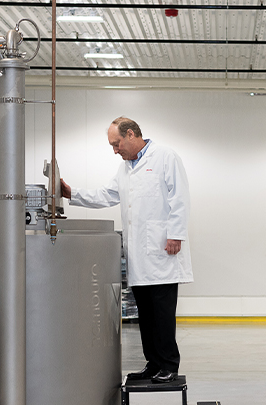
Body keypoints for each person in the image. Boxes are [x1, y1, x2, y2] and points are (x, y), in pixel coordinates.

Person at [61, 117, 193, 384]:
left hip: (162, 251)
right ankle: (153, 364)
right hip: (139, 255)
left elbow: (180, 197)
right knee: (146, 313)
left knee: (162, 314)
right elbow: (106, 195)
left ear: (131, 135)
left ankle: (168, 364)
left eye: (116, 144)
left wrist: (176, 234)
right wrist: (71, 193)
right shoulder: (126, 169)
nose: (115, 150)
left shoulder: (165, 157)